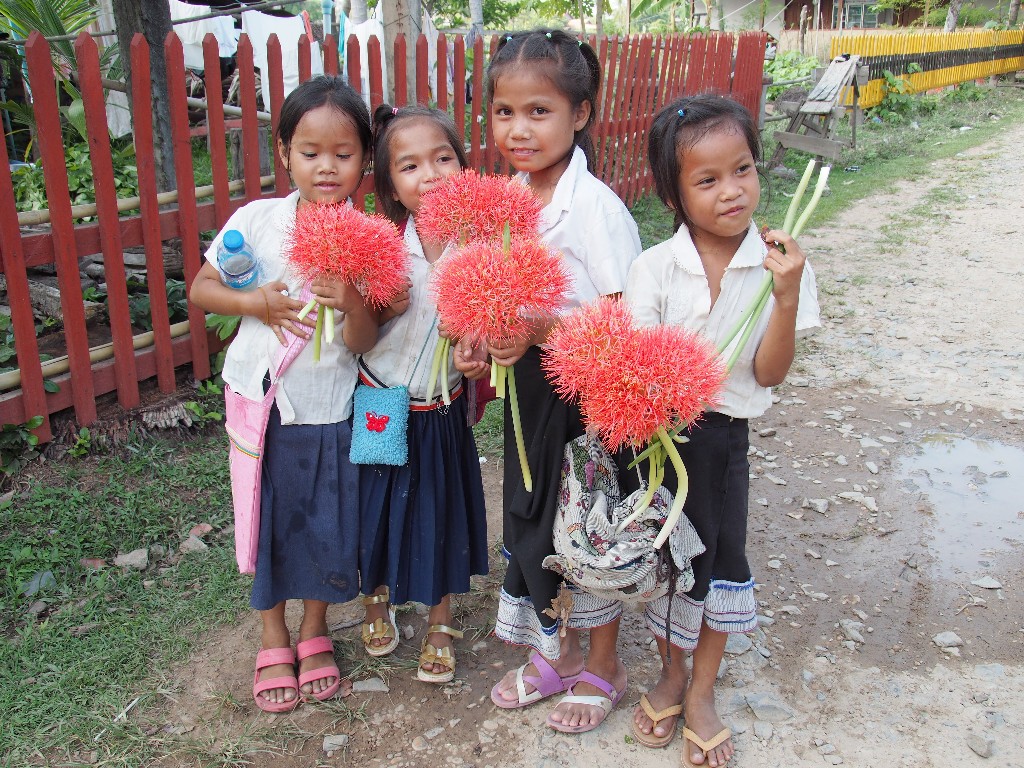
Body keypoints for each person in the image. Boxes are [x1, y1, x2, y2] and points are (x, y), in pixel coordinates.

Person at [624, 94, 820, 766]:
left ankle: (701, 690)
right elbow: (639, 369)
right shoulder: (653, 268)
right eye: (707, 180)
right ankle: (671, 673)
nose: (731, 191)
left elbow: (768, 373)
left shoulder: (779, 263)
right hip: (661, 444)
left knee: (719, 568)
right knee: (666, 568)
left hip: (726, 439)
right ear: (674, 196)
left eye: (742, 170)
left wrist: (787, 295)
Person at [190, 75, 378, 713]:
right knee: (265, 521)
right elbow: (202, 289)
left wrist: (350, 296)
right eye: (310, 152)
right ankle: (272, 632)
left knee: (327, 521)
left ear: (365, 162)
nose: (326, 167)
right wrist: (255, 302)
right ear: (284, 153)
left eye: (343, 154)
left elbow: (364, 339)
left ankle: (314, 627)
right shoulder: (256, 222)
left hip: (330, 410)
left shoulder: (369, 239)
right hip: (262, 406)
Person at [473, 29, 642, 734]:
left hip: (589, 402)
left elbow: (623, 325)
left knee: (587, 525)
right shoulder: (509, 199)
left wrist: (540, 330)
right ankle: (560, 650)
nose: (519, 129)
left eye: (538, 111)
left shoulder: (596, 210)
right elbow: (496, 299)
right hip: (529, 398)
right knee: (533, 518)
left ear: (580, 114)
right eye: (505, 112)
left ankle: (604, 662)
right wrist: (480, 342)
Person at [356, 104, 489, 684]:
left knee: (439, 514)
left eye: (443, 158)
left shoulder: (484, 250)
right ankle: (375, 600)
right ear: (390, 185)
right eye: (409, 166)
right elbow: (358, 335)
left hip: (441, 406)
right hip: (380, 401)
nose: (430, 174)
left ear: (464, 166)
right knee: (377, 509)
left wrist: (474, 350)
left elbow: (485, 328)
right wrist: (383, 307)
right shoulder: (382, 247)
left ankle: (440, 623)